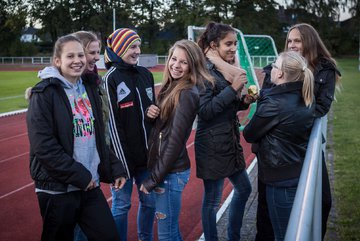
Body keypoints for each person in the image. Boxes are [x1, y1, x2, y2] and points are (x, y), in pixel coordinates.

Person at [26, 34, 127, 241]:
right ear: (57, 61)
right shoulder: (43, 94)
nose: (77, 60)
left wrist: (115, 167)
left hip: (90, 187)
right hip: (59, 190)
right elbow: (44, 147)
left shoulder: (89, 88)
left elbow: (98, 137)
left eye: (80, 55)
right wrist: (81, 176)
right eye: (70, 56)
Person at [255, 23, 341, 241]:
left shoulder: (325, 68)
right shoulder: (276, 66)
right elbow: (265, 100)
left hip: (305, 143)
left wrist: (292, 115)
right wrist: (290, 112)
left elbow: (322, 107)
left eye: (297, 40)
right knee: (265, 209)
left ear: (309, 42)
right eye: (289, 41)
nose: (292, 45)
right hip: (274, 148)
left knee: (322, 201)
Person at [140, 39, 213, 241]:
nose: (176, 65)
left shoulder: (186, 93)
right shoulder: (171, 87)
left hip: (170, 173)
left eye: (183, 62)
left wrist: (153, 179)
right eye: (174, 59)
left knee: (166, 235)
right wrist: (150, 115)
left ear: (192, 65)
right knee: (170, 231)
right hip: (166, 169)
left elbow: (175, 141)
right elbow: (161, 130)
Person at [243, 51, 315, 241]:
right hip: (296, 171)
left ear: (281, 74)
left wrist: (262, 103)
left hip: (280, 179)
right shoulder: (305, 95)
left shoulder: (274, 104)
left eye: (274, 66)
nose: (271, 69)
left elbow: (249, 134)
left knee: (283, 234)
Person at [195, 22, 256, 241]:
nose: (233, 48)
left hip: (229, 140)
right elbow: (205, 111)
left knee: (244, 189)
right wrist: (233, 89)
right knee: (211, 202)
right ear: (214, 45)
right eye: (228, 44)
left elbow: (228, 106)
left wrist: (244, 100)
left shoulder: (229, 68)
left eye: (235, 43)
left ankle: (233, 237)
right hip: (211, 144)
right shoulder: (204, 70)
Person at [103, 28, 157, 241]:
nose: (138, 51)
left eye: (138, 46)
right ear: (120, 48)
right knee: (121, 206)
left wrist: (154, 112)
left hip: (147, 160)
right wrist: (122, 168)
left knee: (150, 202)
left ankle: (145, 238)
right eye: (133, 46)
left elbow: (151, 114)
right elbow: (112, 128)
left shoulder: (146, 74)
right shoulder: (110, 79)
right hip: (122, 162)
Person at [71, 31, 109, 241]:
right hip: (75, 175)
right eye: (91, 52)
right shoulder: (65, 88)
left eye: (98, 52)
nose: (96, 57)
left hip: (91, 168)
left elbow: (102, 127)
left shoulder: (94, 83)